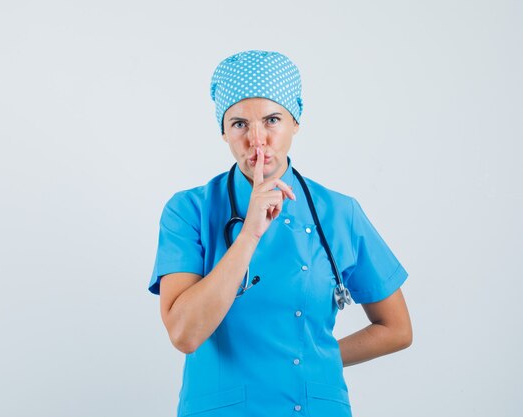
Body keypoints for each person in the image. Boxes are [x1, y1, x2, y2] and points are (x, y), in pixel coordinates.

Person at [148, 50, 412, 417]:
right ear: (223, 132)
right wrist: (248, 236)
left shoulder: (339, 212)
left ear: (296, 121)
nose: (258, 139)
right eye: (239, 124)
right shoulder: (189, 210)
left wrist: (310, 357)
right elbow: (184, 334)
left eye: (272, 119)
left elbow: (396, 328)